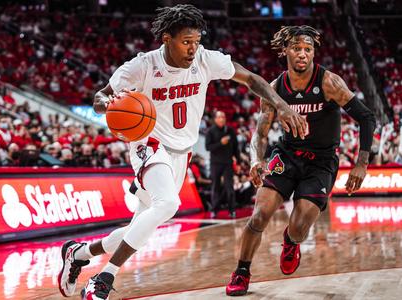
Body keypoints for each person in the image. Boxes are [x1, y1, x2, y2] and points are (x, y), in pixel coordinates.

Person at [56, 5, 307, 299]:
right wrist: (110, 103)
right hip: (147, 144)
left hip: (181, 153)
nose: (193, 48)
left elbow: (251, 79)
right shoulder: (143, 66)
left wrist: (282, 105)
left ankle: (79, 252)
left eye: (196, 42)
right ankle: (103, 279)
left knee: (140, 228)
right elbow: (100, 96)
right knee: (168, 205)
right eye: (186, 42)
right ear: (166, 38)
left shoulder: (205, 60)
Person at [225, 25, 376, 296]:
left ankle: (290, 241)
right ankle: (242, 272)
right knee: (259, 216)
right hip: (286, 156)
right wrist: (256, 160)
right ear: (285, 52)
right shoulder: (274, 88)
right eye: (296, 49)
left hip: (322, 161)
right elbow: (259, 133)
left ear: (314, 52)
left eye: (308, 49)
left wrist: (361, 163)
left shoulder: (330, 82)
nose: (303, 54)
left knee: (298, 226)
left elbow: (366, 117)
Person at [205, 111, 241, 218]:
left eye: (223, 117)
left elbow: (236, 148)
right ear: (215, 119)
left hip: (227, 163)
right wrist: (221, 143)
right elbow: (208, 147)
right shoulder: (210, 131)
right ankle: (214, 210)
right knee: (215, 186)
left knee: (229, 187)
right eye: (219, 117)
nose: (221, 119)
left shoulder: (230, 131)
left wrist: (238, 162)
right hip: (215, 163)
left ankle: (232, 210)